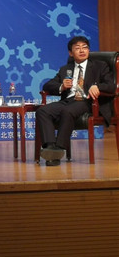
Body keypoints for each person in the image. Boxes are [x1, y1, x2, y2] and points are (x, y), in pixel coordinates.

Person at [36, 36, 114, 166]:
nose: (82, 50)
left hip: (87, 101)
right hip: (68, 100)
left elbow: (111, 86)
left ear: (89, 50)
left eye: (85, 47)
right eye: (77, 48)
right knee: (42, 111)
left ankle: (59, 148)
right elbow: (47, 85)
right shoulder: (66, 69)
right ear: (71, 53)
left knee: (68, 111)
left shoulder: (99, 66)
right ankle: (50, 147)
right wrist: (62, 86)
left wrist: (97, 86)